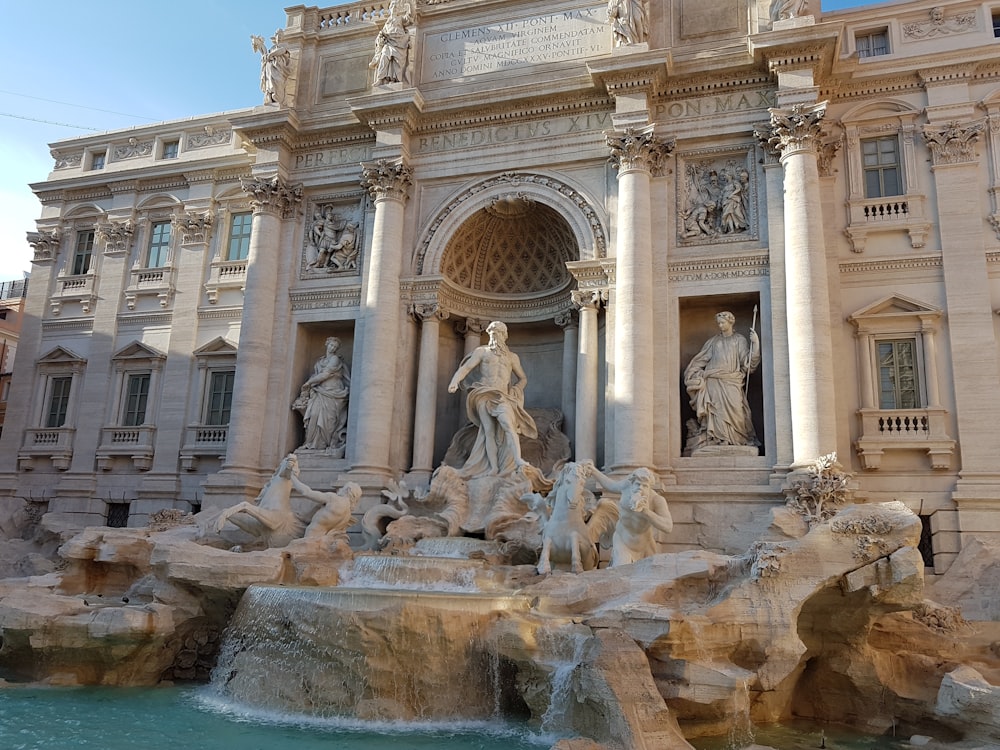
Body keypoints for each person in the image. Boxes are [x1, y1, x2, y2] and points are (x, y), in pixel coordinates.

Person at [447, 321, 537, 477]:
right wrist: (455, 380)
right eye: (491, 333)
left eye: (496, 333)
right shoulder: (482, 352)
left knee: (508, 425)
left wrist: (516, 389)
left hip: (503, 396)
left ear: (504, 335)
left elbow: (523, 378)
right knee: (488, 431)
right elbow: (466, 368)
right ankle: (493, 467)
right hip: (484, 393)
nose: (493, 336)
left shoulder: (512, 357)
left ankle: (517, 460)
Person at [684, 311, 760, 449]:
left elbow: (748, 363)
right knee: (715, 411)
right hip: (713, 381)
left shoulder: (739, 340)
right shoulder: (713, 342)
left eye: (722, 322)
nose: (720, 325)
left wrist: (755, 344)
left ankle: (737, 440)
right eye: (718, 323)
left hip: (732, 381)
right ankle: (716, 439)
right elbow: (701, 359)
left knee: (738, 413)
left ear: (731, 322)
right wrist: (693, 372)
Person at [589, 466, 673, 567]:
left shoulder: (656, 500)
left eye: (644, 486)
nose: (640, 488)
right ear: (632, 483)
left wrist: (646, 512)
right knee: (621, 571)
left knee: (647, 577)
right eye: (638, 484)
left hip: (645, 545)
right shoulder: (626, 487)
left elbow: (668, 527)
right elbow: (610, 485)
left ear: (650, 486)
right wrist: (593, 471)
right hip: (622, 540)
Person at [293, 337, 351, 455]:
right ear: (326, 344)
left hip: (333, 393)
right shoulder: (320, 361)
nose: (332, 348)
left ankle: (324, 445)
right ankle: (310, 444)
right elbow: (317, 374)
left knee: (329, 421)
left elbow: (326, 374)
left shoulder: (335, 359)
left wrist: (309, 383)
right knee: (313, 415)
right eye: (331, 345)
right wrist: (310, 385)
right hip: (320, 391)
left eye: (335, 347)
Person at [369, 0, 413, 86]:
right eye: (393, 7)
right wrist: (380, 38)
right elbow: (382, 33)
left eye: (396, 7)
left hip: (400, 43)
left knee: (397, 62)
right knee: (384, 56)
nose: (394, 8)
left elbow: (409, 19)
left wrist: (410, 5)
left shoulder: (400, 19)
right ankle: (380, 79)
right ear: (390, 8)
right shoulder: (387, 22)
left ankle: (394, 79)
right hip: (389, 43)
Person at [253, 30, 291, 106]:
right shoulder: (272, 48)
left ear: (283, 37)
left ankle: (277, 99)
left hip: (279, 69)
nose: (279, 37)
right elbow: (265, 54)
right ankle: (270, 98)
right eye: (277, 36)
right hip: (270, 69)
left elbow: (282, 51)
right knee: (270, 83)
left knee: (278, 82)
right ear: (275, 37)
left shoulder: (285, 45)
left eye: (280, 36)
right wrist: (260, 45)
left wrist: (271, 55)